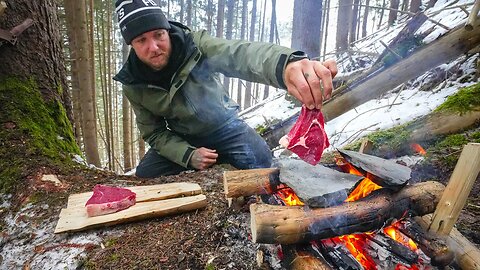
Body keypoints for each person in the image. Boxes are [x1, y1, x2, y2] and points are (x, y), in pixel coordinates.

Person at [114, 0, 338, 178]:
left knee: (265, 166)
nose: (153, 47)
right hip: (183, 137)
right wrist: (188, 155)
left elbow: (239, 54)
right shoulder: (133, 83)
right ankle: (209, 161)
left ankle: (223, 157)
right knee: (146, 173)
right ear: (131, 45)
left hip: (225, 127)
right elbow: (154, 132)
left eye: (158, 35)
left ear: (167, 30)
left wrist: (285, 66)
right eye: (142, 40)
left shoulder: (195, 45)